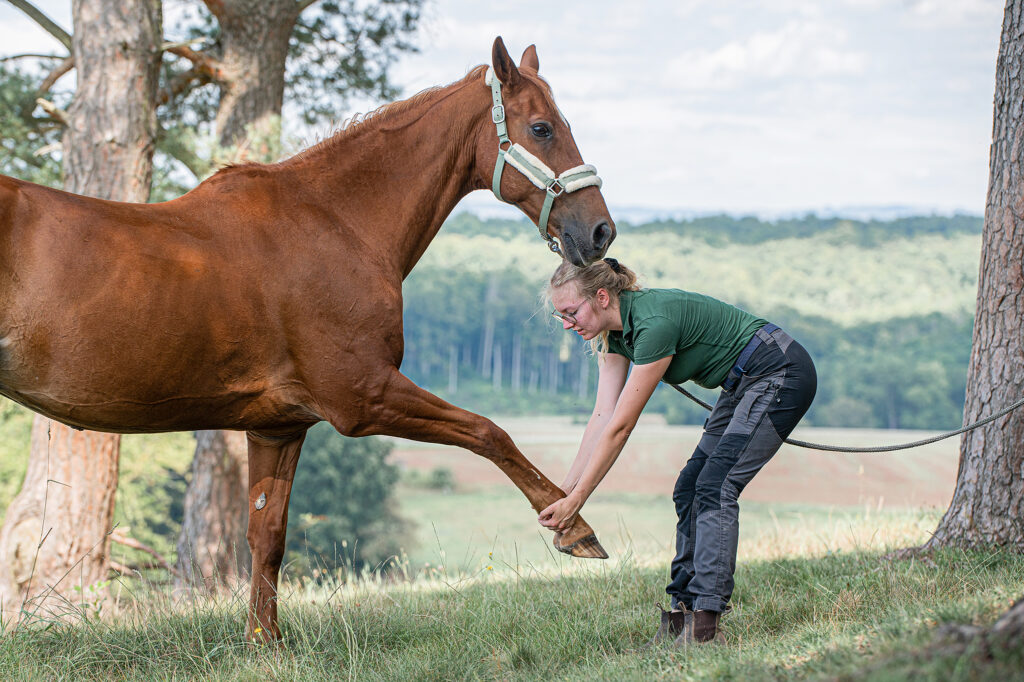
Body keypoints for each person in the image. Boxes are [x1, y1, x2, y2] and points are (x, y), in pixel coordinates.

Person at [538, 257, 816, 646]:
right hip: (741, 382)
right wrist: (564, 494)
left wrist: (579, 499)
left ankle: (705, 625)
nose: (568, 323)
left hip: (779, 371)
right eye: (560, 315)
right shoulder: (612, 335)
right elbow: (602, 416)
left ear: (601, 297)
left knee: (716, 485)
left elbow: (620, 428)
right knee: (689, 488)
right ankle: (680, 615)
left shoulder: (653, 326)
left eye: (571, 312)